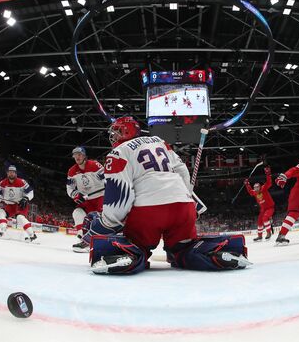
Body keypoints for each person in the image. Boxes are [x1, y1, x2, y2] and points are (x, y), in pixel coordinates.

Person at [81, 116, 250, 274]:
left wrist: (109, 222)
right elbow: (182, 170)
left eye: (117, 131)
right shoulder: (159, 142)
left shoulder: (119, 152)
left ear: (127, 132)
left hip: (148, 211)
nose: (113, 136)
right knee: (182, 250)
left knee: (138, 246)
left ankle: (130, 257)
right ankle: (214, 254)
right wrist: (188, 199)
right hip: (182, 207)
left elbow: (121, 193)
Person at [67, 146, 105, 252]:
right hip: (86, 199)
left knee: (101, 220)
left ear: (84, 156)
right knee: (77, 212)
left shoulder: (95, 165)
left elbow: (107, 178)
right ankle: (85, 240)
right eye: (75, 155)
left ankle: (99, 242)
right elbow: (69, 188)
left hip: (101, 196)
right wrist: (75, 194)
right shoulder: (72, 171)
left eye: (79, 155)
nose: (77, 157)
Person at [0, 165, 36, 242]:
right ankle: (2, 230)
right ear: (7, 173)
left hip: (20, 204)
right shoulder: (2, 183)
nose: (11, 174)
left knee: (19, 217)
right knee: (0, 212)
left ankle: (32, 235)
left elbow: (31, 192)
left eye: (13, 172)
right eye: (10, 172)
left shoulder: (22, 182)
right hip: (10, 205)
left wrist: (25, 198)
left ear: (16, 173)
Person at [244, 167, 275, 241]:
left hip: (270, 208)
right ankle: (260, 236)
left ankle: (268, 233)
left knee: (265, 218)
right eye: (254, 188)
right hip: (263, 209)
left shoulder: (263, 189)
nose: (255, 189)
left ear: (259, 187)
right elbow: (250, 191)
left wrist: (268, 173)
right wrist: (247, 184)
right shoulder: (254, 192)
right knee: (259, 221)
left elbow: (269, 182)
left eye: (257, 187)